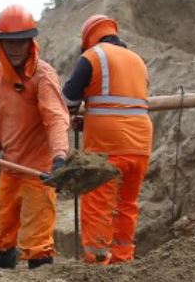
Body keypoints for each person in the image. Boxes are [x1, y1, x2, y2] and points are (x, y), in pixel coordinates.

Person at [0, 5, 69, 269]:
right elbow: (3, 116)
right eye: (9, 43)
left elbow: (56, 120)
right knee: (1, 234)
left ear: (31, 42)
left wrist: (59, 158)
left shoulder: (43, 76)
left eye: (21, 42)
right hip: (11, 168)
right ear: (1, 44)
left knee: (36, 240)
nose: (15, 48)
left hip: (39, 174)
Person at [63, 14, 152, 264]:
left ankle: (97, 263)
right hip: (140, 144)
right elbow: (123, 103)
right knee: (127, 204)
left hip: (108, 147)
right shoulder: (138, 60)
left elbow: (68, 100)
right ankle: (123, 258)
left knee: (98, 203)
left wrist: (71, 119)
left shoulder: (93, 56)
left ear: (89, 37)